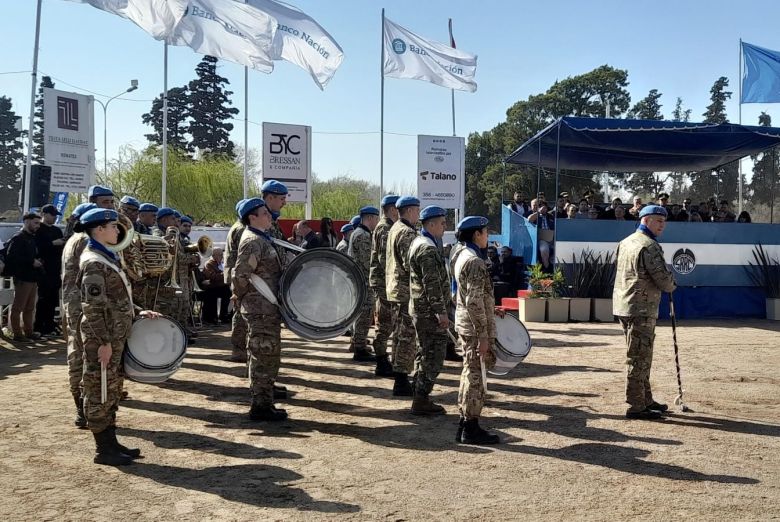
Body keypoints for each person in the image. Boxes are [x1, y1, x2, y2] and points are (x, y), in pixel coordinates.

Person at [75, 207, 160, 465]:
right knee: (99, 388)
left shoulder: (106, 256)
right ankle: (104, 449)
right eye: (112, 227)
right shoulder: (93, 261)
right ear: (99, 230)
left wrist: (137, 311)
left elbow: (115, 299)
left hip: (113, 335)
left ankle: (111, 442)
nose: (117, 230)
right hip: (102, 338)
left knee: (111, 387)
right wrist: (103, 342)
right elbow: (92, 307)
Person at [613, 205, 677, 420]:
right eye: (659, 221)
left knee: (641, 354)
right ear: (647, 220)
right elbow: (662, 279)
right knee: (639, 357)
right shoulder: (649, 246)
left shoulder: (625, 242)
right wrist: (672, 285)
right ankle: (636, 405)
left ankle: (645, 399)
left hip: (625, 305)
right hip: (641, 307)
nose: (663, 226)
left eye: (664, 222)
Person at [232, 198, 287, 421]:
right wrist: (239, 294)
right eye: (264, 213)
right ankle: (260, 406)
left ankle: (265, 400)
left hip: (266, 307)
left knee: (268, 354)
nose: (269, 216)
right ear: (252, 217)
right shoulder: (252, 241)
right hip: (259, 307)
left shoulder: (262, 238)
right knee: (262, 355)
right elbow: (241, 274)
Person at [452, 216, 502, 445]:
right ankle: (470, 427)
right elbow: (473, 301)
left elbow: (466, 295)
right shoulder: (474, 261)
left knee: (468, 373)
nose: (488, 236)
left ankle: (465, 421)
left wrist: (492, 308)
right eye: (485, 232)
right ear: (476, 235)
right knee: (475, 377)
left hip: (465, 323)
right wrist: (483, 334)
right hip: (474, 328)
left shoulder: (459, 254)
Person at [408, 206, 451, 415]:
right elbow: (431, 283)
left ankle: (419, 392)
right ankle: (421, 398)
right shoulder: (427, 248)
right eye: (442, 223)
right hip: (428, 312)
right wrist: (441, 312)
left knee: (424, 352)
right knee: (434, 354)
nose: (445, 226)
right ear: (431, 224)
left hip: (421, 309)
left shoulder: (420, 242)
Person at [61, 202, 97, 428]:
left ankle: (81, 407)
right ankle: (84, 407)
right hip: (82, 303)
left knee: (76, 350)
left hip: (71, 302)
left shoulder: (72, 239)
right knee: (84, 354)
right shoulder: (84, 240)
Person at [385, 196, 421, 396]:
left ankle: (399, 375)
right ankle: (401, 380)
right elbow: (411, 265)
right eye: (417, 210)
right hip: (405, 291)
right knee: (406, 336)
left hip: (395, 289)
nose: (418, 214)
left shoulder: (395, 228)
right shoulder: (406, 233)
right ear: (409, 211)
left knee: (399, 335)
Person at [369, 194, 400, 377]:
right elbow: (385, 258)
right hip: (384, 282)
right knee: (384, 322)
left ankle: (384, 359)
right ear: (392, 209)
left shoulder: (388, 227)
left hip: (386, 282)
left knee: (388, 322)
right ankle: (381, 360)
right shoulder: (384, 229)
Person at [3, 212, 44, 342]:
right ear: (26, 221)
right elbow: (12, 257)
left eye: (39, 223)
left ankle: (28, 331)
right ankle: (17, 334)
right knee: (18, 307)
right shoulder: (18, 238)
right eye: (35, 223)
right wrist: (31, 261)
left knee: (30, 307)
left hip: (32, 277)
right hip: (22, 277)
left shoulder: (30, 238)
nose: (38, 226)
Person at [348, 206, 380, 361]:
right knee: (364, 314)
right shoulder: (363, 236)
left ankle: (358, 342)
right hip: (364, 281)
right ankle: (359, 348)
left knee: (363, 313)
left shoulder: (360, 233)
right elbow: (368, 262)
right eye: (376, 218)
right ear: (370, 218)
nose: (377, 221)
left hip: (360, 280)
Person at [32, 204, 65, 336]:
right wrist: (52, 243)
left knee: (53, 299)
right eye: (52, 215)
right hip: (43, 269)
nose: (54, 218)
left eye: (55, 215)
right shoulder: (38, 230)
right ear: (44, 214)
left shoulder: (57, 230)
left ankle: (50, 326)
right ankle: (39, 326)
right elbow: (37, 248)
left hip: (55, 268)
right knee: (42, 299)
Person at [224, 200, 249, 362]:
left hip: (234, 275)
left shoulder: (236, 226)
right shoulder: (241, 230)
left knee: (239, 313)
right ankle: (238, 350)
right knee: (240, 315)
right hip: (238, 276)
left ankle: (239, 349)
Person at [200, 248, 231, 325]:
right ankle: (212, 318)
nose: (222, 257)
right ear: (214, 256)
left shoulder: (221, 264)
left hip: (219, 286)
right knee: (217, 293)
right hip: (211, 287)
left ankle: (224, 315)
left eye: (222, 255)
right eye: (220, 255)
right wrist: (225, 274)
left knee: (228, 292)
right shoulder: (209, 264)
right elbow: (212, 277)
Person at [527, 199, 555, 270]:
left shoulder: (551, 216)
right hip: (542, 240)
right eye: (542, 207)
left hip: (552, 239)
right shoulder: (536, 216)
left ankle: (554, 267)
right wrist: (539, 212)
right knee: (544, 250)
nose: (544, 209)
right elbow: (529, 219)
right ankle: (547, 268)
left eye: (545, 208)